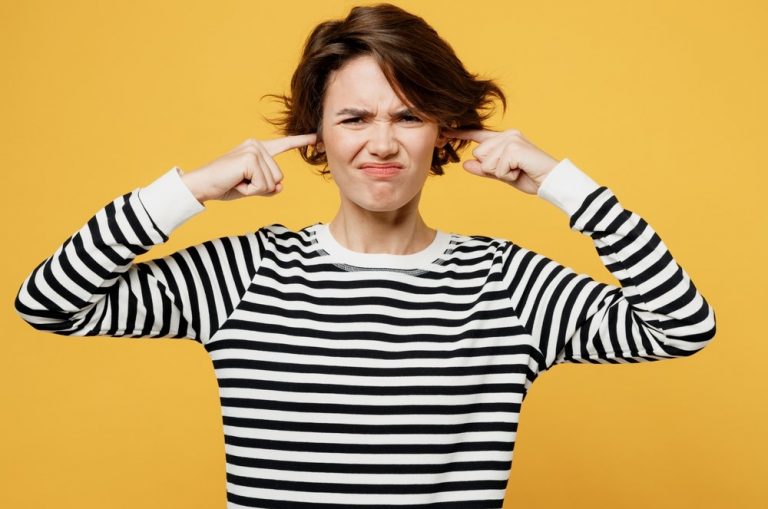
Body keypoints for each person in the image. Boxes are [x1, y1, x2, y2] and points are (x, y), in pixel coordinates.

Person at [14, 3, 717, 508]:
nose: (381, 143)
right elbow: (48, 302)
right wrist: (188, 190)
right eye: (354, 117)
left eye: (408, 115)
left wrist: (565, 184)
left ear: (444, 132)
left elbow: (681, 324)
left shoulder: (505, 284)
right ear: (315, 135)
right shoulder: (243, 274)